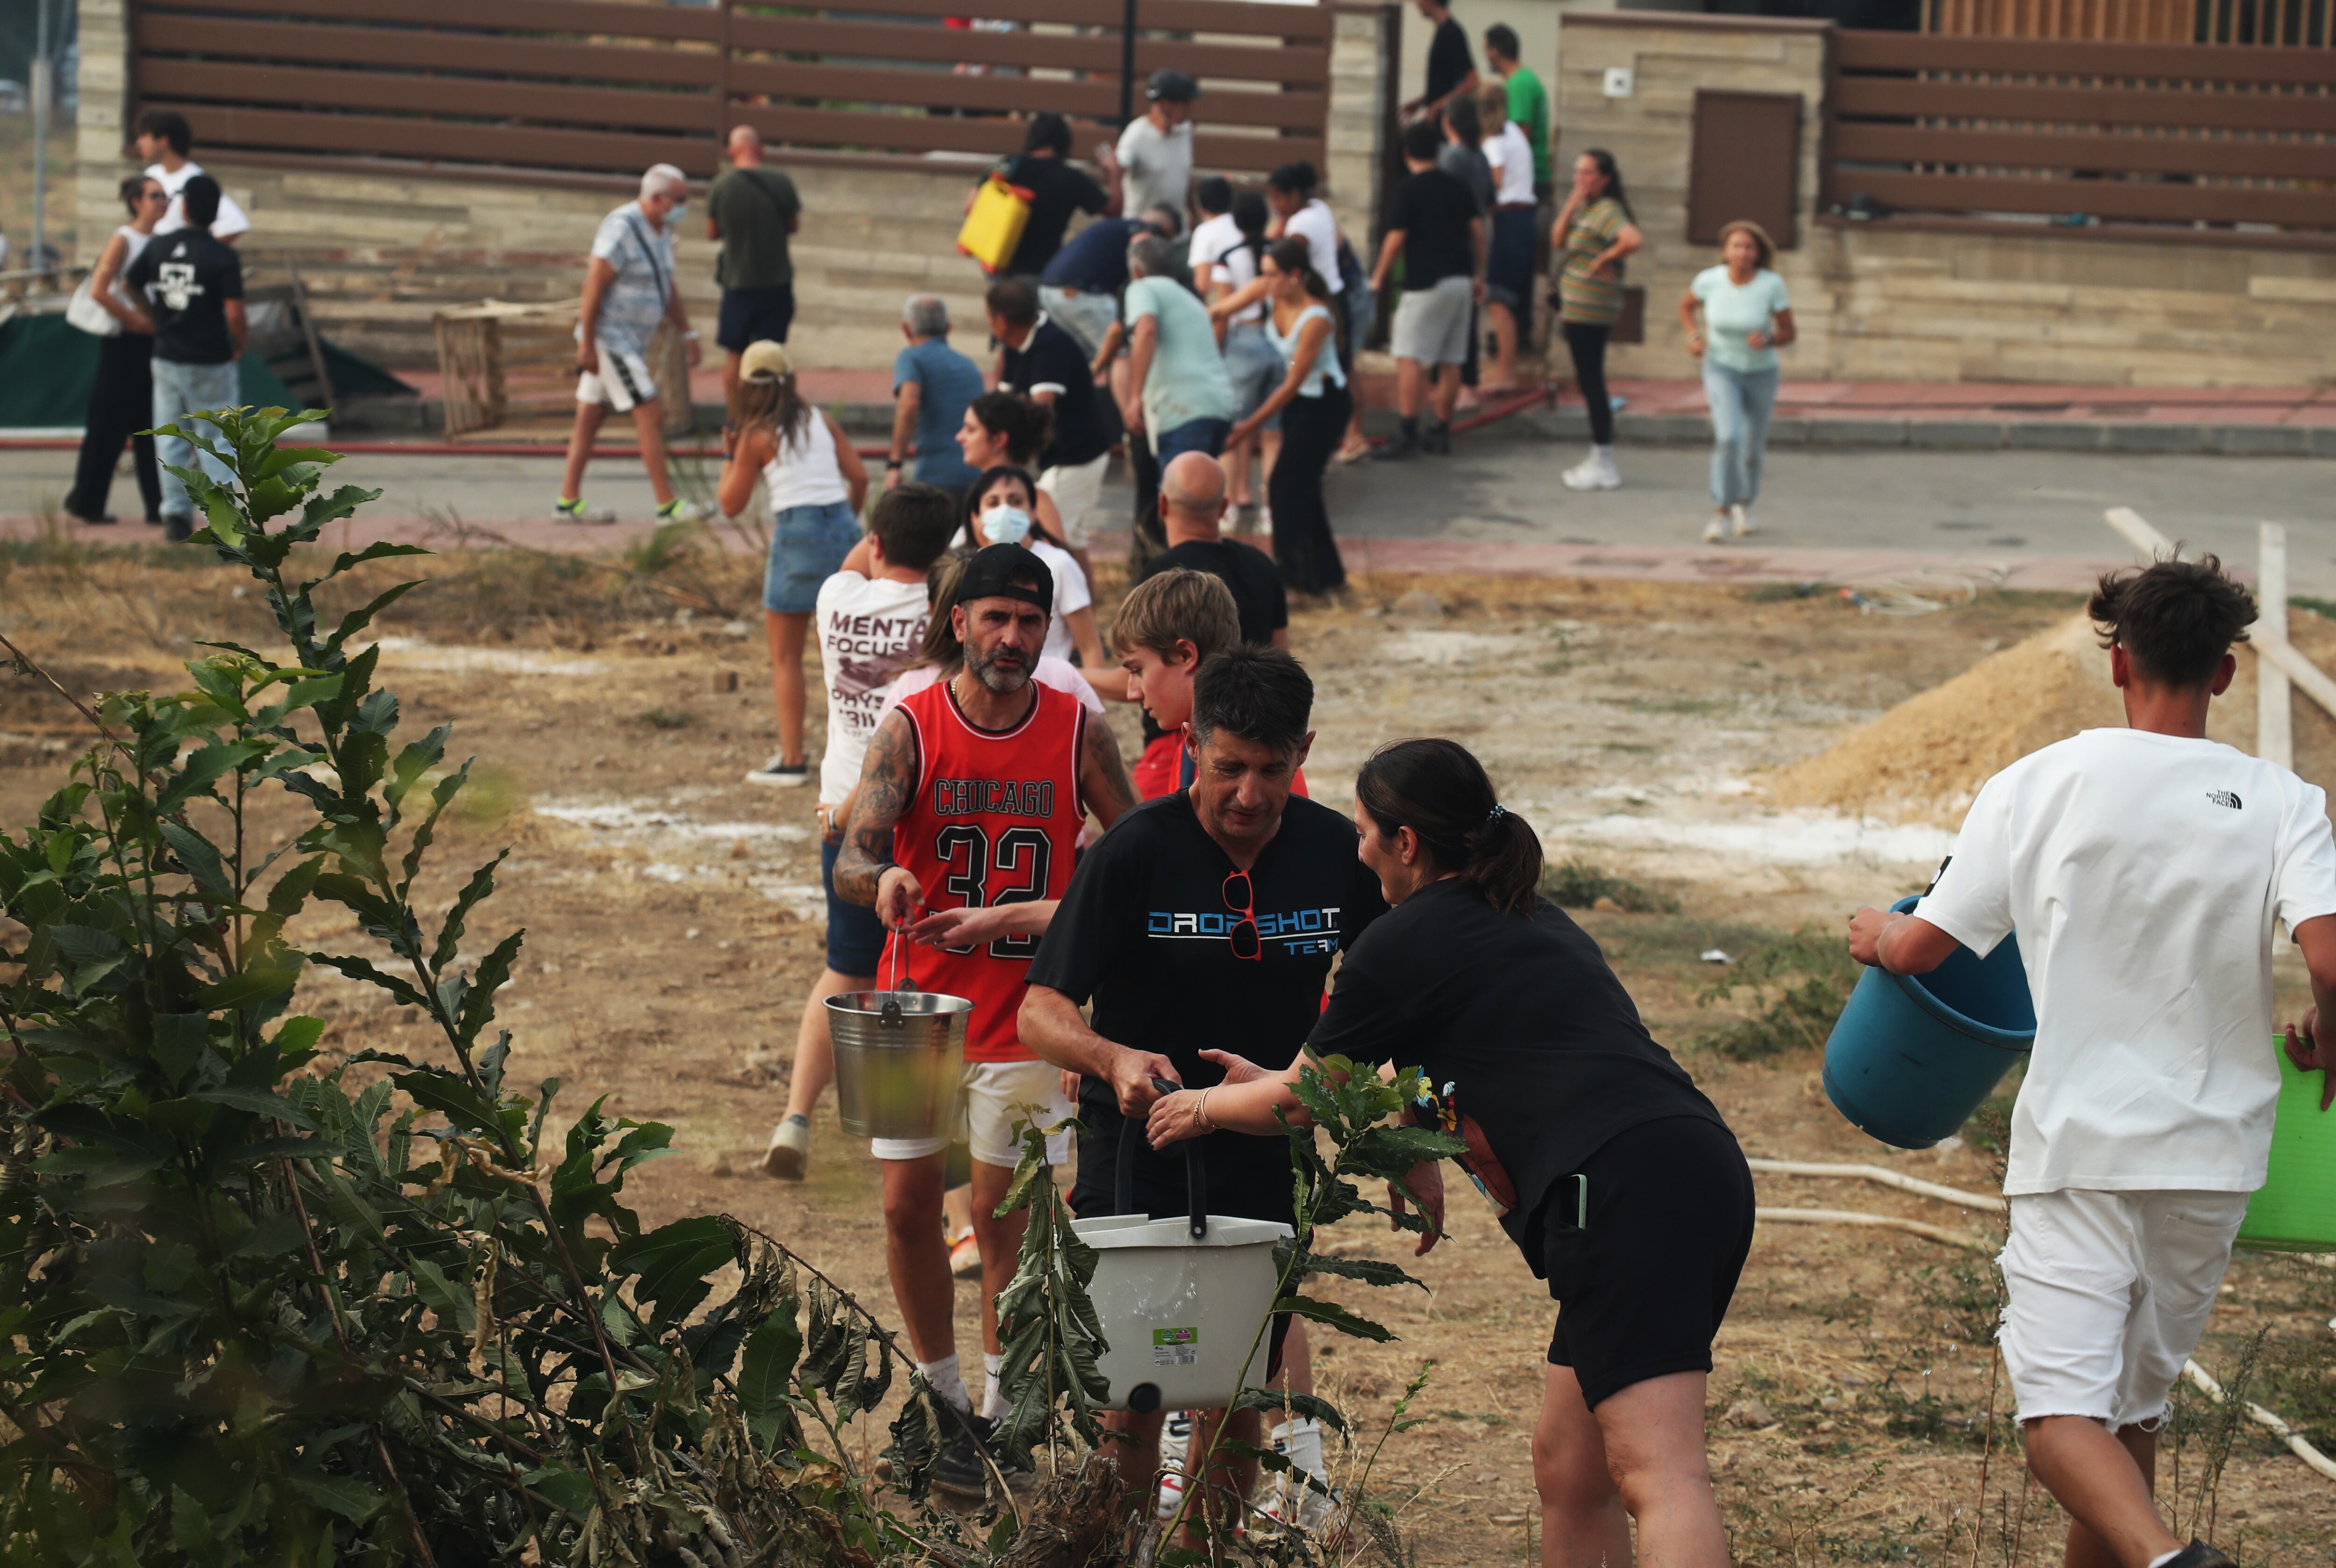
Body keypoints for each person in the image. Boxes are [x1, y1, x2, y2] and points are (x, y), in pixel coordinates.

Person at [1146, 737, 1751, 1568]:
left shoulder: (1403, 940)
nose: (1355, 850)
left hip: (1616, 1190)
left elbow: (1298, 1100)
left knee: (1661, 1470)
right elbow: (1438, 1063)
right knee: (1570, 1467)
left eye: (1365, 831)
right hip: (1687, 1168)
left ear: (1406, 844)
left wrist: (1204, 1105)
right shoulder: (1528, 914)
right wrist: (1378, 1126)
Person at [1848, 558, 2336, 1568]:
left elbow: (1922, 947)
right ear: (2226, 674)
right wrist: (2328, 1037)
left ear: (2117, 663)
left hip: (2081, 1145)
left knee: (2058, 1419)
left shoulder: (2037, 784)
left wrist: (1870, 934)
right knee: (2130, 1416)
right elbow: (2327, 952)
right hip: (2211, 1158)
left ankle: (2170, 1561)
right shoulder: (2284, 800)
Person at [1020, 646, 1384, 1540]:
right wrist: (1109, 1058)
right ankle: (1114, 1547)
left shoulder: (1340, 852)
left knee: (1236, 1385)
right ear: (1190, 741)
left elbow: (1396, 1010)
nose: (1251, 794)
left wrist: (1411, 1138)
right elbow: (1040, 1008)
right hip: (1141, 1151)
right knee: (1135, 1390)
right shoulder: (1136, 851)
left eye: (1273, 769)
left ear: (1305, 748)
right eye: (1229, 768)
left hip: (1269, 1151)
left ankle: (1203, 1556)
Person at [834, 543, 1138, 1495]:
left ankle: (1002, 1419)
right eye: (994, 617)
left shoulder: (1076, 727)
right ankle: (937, 1400)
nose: (1011, 637)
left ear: (1047, 628)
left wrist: (1039, 919)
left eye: (1029, 619)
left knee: (1009, 1229)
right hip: (913, 1006)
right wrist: (881, 875)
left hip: (1027, 1015)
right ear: (956, 619)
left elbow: (1132, 865)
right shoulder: (910, 722)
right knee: (903, 1204)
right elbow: (852, 851)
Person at [760, 484, 961, 1181]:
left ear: (875, 544)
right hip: (918, 816)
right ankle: (919, 1134)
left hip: (842, 821)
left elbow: (861, 556)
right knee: (929, 977)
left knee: (843, 968)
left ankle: (796, 1118)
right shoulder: (943, 616)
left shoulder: (836, 597)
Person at [719, 341, 869, 788]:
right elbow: (859, 476)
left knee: (786, 657)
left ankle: (792, 758)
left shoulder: (756, 435)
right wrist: (848, 519)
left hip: (796, 533)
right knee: (853, 650)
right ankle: (867, 750)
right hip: (842, 527)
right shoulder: (820, 419)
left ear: (747, 385)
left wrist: (730, 454)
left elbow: (730, 503)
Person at [559, 164, 706, 525]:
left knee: (590, 418)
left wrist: (686, 332)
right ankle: (667, 505)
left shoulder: (662, 231)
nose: (684, 207)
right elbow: (595, 283)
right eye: (680, 200)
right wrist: (588, 344)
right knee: (649, 412)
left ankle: (567, 501)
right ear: (656, 199)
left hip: (631, 342)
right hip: (612, 339)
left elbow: (666, 285)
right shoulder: (622, 227)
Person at [123, 176, 245, 545]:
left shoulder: (160, 245)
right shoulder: (222, 256)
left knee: (171, 437)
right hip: (211, 359)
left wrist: (155, 317)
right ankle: (225, 520)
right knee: (219, 439)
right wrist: (239, 343)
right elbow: (236, 312)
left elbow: (130, 282)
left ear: (186, 207)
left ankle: (176, 516)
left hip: (167, 355)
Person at [1224, 241, 1350, 594]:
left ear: (1295, 277)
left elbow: (1292, 383)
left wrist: (1246, 427)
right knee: (1304, 490)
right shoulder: (1269, 295)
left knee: (1283, 487)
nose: (1265, 281)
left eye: (1272, 275)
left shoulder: (1317, 318)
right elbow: (1219, 310)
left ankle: (1292, 581)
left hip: (1324, 404)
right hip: (1300, 404)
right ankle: (1327, 577)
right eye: (1262, 273)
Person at [988, 277, 1119, 574]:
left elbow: (1040, 409)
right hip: (1065, 456)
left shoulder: (1051, 345)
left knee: (1049, 537)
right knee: (1072, 541)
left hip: (1076, 457)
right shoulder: (1014, 344)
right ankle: (1085, 609)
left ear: (1003, 321)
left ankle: (1071, 608)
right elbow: (1004, 402)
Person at [959, 466, 1126, 698]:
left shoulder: (1060, 564)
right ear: (976, 517)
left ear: (1033, 512)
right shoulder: (966, 568)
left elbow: (1089, 645)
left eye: (1016, 501)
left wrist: (1090, 707)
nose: (1005, 510)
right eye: (994, 503)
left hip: (1049, 697)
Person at [1371, 120, 1482, 462]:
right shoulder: (1458, 187)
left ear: (1406, 154)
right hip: (1461, 281)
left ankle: (1407, 430)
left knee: (1409, 356)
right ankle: (1440, 430)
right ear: (1438, 151)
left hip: (1425, 283)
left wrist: (1378, 277)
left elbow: (1395, 239)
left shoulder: (1408, 189)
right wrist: (1480, 273)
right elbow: (1478, 232)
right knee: (1451, 360)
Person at [1679, 220, 1795, 545]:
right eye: (1736, 246)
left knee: (1752, 449)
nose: (1742, 253)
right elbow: (1686, 305)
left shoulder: (1771, 285)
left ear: (1758, 254)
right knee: (1729, 437)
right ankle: (1721, 511)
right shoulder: (1710, 281)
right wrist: (1693, 335)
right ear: (1725, 252)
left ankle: (1747, 502)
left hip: (1761, 373)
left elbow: (1789, 331)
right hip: (1721, 368)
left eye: (1749, 247)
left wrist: (1770, 339)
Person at [63, 175, 169, 527]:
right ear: (137, 201)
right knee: (108, 425)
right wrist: (135, 321)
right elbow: (100, 289)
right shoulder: (124, 239)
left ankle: (159, 506)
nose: (162, 202)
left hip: (151, 341)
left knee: (151, 425)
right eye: (155, 196)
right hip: (124, 341)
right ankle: (88, 502)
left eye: (165, 196)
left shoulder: (160, 241)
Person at [1552, 149, 1644, 493]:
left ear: (1606, 178)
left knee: (1592, 382)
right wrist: (1571, 204)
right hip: (1577, 307)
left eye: (1588, 173)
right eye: (1578, 172)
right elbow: (1558, 240)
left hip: (1592, 307)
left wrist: (1606, 257)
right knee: (1588, 380)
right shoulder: (1587, 210)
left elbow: (1633, 239)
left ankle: (1603, 460)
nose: (1581, 179)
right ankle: (1599, 457)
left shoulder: (1607, 210)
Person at [1138, 452, 1289, 651]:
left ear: (1162, 505)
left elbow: (1139, 674)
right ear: (1224, 508)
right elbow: (1282, 655)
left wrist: (1084, 674)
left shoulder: (1159, 577)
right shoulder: (1261, 564)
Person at [1117, 567, 1245, 801]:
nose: (1132, 692)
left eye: (1138, 670)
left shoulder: (1248, 758)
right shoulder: (1190, 748)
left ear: (1185, 655)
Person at [1194, 189, 1279, 529]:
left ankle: (1230, 504)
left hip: (1242, 344)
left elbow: (1224, 312)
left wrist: (1213, 353)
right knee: (1273, 433)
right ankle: (1269, 510)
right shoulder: (1280, 254)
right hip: (1277, 340)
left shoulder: (1228, 257)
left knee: (1233, 430)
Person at [1123, 232, 1238, 469]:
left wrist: (1135, 397)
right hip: (1218, 408)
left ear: (1136, 271)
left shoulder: (1142, 287)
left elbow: (1146, 331)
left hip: (1185, 414)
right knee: (1200, 499)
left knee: (1180, 499)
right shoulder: (1191, 299)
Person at [707, 126, 803, 403]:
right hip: (777, 282)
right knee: (772, 354)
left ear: (732, 151)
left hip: (738, 283)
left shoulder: (722, 186)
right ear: (760, 149)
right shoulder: (782, 182)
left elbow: (712, 233)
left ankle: (736, 421)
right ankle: (773, 416)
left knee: (735, 354)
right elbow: (794, 226)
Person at [985, 112, 1122, 281]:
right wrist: (1114, 172)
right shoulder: (1071, 178)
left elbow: (972, 205)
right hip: (1044, 272)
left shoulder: (1007, 166)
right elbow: (1114, 210)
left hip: (1000, 266)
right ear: (1064, 142)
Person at [887, 293, 983, 506]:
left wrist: (895, 464)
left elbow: (909, 403)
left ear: (906, 330)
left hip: (935, 477)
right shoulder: (969, 365)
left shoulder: (911, 357)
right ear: (948, 328)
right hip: (976, 477)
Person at [1037, 209, 1161, 360]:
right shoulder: (1142, 231)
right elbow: (1141, 246)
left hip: (1048, 290)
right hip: (1079, 293)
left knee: (1081, 355)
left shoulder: (1115, 228)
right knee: (1119, 352)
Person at [1437, 93, 1495, 409]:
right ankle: (1467, 384)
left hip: (1458, 239)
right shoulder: (1480, 155)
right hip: (1480, 235)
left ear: (1448, 124)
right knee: (1469, 315)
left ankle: (1459, 385)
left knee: (1452, 317)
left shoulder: (1452, 157)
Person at [1479, 85, 1538, 397]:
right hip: (1524, 218)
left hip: (1509, 220)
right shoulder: (1515, 131)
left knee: (1500, 298)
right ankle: (1507, 366)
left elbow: (1495, 182)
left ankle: (1506, 371)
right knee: (1513, 297)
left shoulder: (1494, 143)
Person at [134, 110, 250, 243]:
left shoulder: (196, 181)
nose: (139, 142)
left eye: (144, 136)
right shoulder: (151, 175)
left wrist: (192, 253)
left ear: (163, 141)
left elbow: (235, 224)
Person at [1118, 70, 1200, 222]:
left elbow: (1183, 175)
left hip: (1178, 233)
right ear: (1166, 104)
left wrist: (1192, 213)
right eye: (1186, 104)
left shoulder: (1185, 131)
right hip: (1144, 232)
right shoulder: (1136, 135)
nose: (1190, 109)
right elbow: (1119, 169)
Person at [1483, 24, 1552, 196]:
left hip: (1530, 180)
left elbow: (1521, 133)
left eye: (1486, 51)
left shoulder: (1519, 85)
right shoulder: (1521, 81)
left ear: (1495, 52)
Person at [1403, 0, 1479, 123]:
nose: (1416, 3)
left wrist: (1437, 107)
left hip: (1446, 123)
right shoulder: (1442, 31)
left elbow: (1472, 81)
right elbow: (1444, 82)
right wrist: (1421, 102)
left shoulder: (1453, 33)